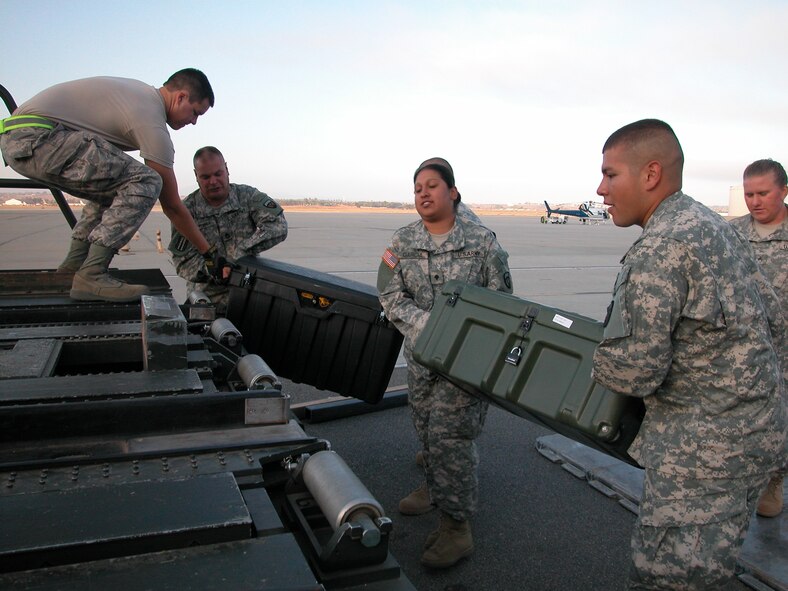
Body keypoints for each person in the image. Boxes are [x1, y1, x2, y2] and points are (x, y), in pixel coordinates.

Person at [591, 119, 786, 590]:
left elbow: (637, 372)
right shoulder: (708, 225)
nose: (600, 189)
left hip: (704, 456)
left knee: (670, 578)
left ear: (650, 174)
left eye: (610, 174)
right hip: (751, 439)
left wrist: (592, 357)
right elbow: (774, 317)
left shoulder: (662, 246)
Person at [377, 157, 512, 569]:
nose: (423, 193)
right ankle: (436, 487)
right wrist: (429, 328)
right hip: (421, 360)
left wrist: (463, 338)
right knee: (425, 429)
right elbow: (389, 295)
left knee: (451, 438)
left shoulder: (482, 242)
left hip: (465, 365)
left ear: (453, 192)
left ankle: (457, 527)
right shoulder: (401, 242)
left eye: (432, 185)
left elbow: (503, 302)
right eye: (417, 187)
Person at [0, 69, 223, 302]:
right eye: (196, 112)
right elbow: (172, 205)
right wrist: (209, 253)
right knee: (147, 180)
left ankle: (74, 266)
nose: (194, 122)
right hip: (37, 138)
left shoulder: (140, 96)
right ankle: (92, 274)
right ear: (181, 97)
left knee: (116, 184)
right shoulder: (150, 119)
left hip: (21, 138)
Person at [729, 158, 788, 518]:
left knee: (780, 423)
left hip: (784, 354)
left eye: (763, 193)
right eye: (749, 194)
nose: (754, 201)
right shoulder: (731, 234)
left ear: (783, 190)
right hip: (740, 351)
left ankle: (773, 480)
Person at [169, 146, 288, 313]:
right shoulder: (187, 211)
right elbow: (183, 262)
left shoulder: (247, 196)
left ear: (227, 169)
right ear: (196, 176)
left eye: (218, 174)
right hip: (206, 304)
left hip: (247, 297)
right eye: (205, 177)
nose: (213, 181)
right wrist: (213, 269)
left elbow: (278, 226)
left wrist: (237, 255)